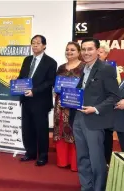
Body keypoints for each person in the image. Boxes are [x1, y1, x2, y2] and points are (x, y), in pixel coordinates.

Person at [69, 37, 120, 191]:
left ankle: (98, 188)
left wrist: (96, 108)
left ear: (98, 51)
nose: (86, 52)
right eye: (83, 49)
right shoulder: (83, 69)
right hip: (78, 118)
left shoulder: (106, 69)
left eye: (90, 49)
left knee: (97, 160)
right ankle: (86, 187)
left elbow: (114, 96)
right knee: (82, 158)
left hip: (95, 120)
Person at [17, 35, 57, 166]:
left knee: (41, 129)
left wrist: (34, 91)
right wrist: (16, 83)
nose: (35, 45)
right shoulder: (27, 59)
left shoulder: (51, 62)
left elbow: (50, 82)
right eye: (33, 43)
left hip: (40, 101)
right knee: (27, 129)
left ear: (44, 46)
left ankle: (43, 156)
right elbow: (22, 77)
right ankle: (30, 152)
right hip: (26, 100)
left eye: (38, 43)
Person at [53, 42, 84, 171]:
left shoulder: (84, 67)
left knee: (74, 131)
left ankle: (75, 163)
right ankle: (62, 161)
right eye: (67, 50)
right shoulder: (60, 68)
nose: (69, 52)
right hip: (60, 105)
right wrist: (56, 90)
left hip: (75, 105)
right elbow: (56, 84)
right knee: (60, 130)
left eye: (72, 50)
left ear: (79, 52)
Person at [98, 41, 122, 165]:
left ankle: (106, 161)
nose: (98, 54)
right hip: (92, 107)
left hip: (107, 106)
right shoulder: (88, 67)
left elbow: (116, 87)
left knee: (107, 134)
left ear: (106, 54)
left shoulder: (112, 67)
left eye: (101, 52)